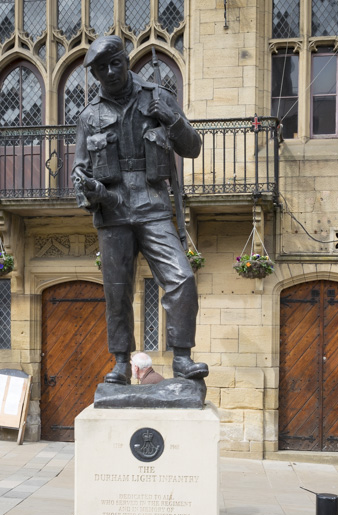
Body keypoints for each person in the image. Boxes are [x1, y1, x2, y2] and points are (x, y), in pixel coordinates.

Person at [73, 35, 209, 386]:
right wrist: (85, 186)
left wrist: (172, 120)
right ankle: (120, 362)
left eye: (114, 63)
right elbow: (81, 170)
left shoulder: (158, 97)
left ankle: (181, 358)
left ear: (127, 58)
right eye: (100, 68)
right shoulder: (90, 116)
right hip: (113, 210)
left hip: (153, 205)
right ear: (95, 75)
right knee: (116, 289)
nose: (110, 72)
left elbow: (192, 147)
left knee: (181, 278)